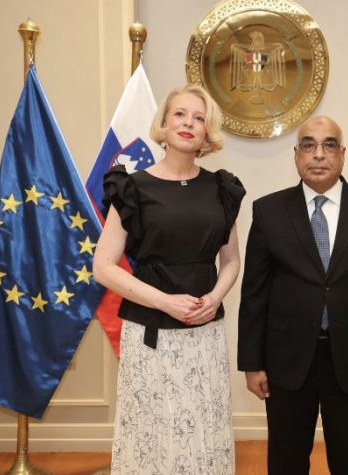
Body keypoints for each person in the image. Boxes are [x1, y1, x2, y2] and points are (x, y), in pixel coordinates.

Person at [238, 115, 348, 475]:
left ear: (342, 154)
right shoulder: (268, 211)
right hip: (286, 360)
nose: (318, 154)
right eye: (308, 145)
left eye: (329, 145)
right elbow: (254, 295)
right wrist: (252, 363)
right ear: (296, 155)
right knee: (286, 461)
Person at [93, 84, 245, 474]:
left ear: (207, 132)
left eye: (199, 118)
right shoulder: (131, 187)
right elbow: (103, 267)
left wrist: (215, 296)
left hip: (204, 331)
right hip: (150, 333)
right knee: (152, 430)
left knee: (202, 427)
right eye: (180, 114)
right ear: (163, 122)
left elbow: (231, 260)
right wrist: (165, 301)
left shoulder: (222, 189)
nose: (188, 123)